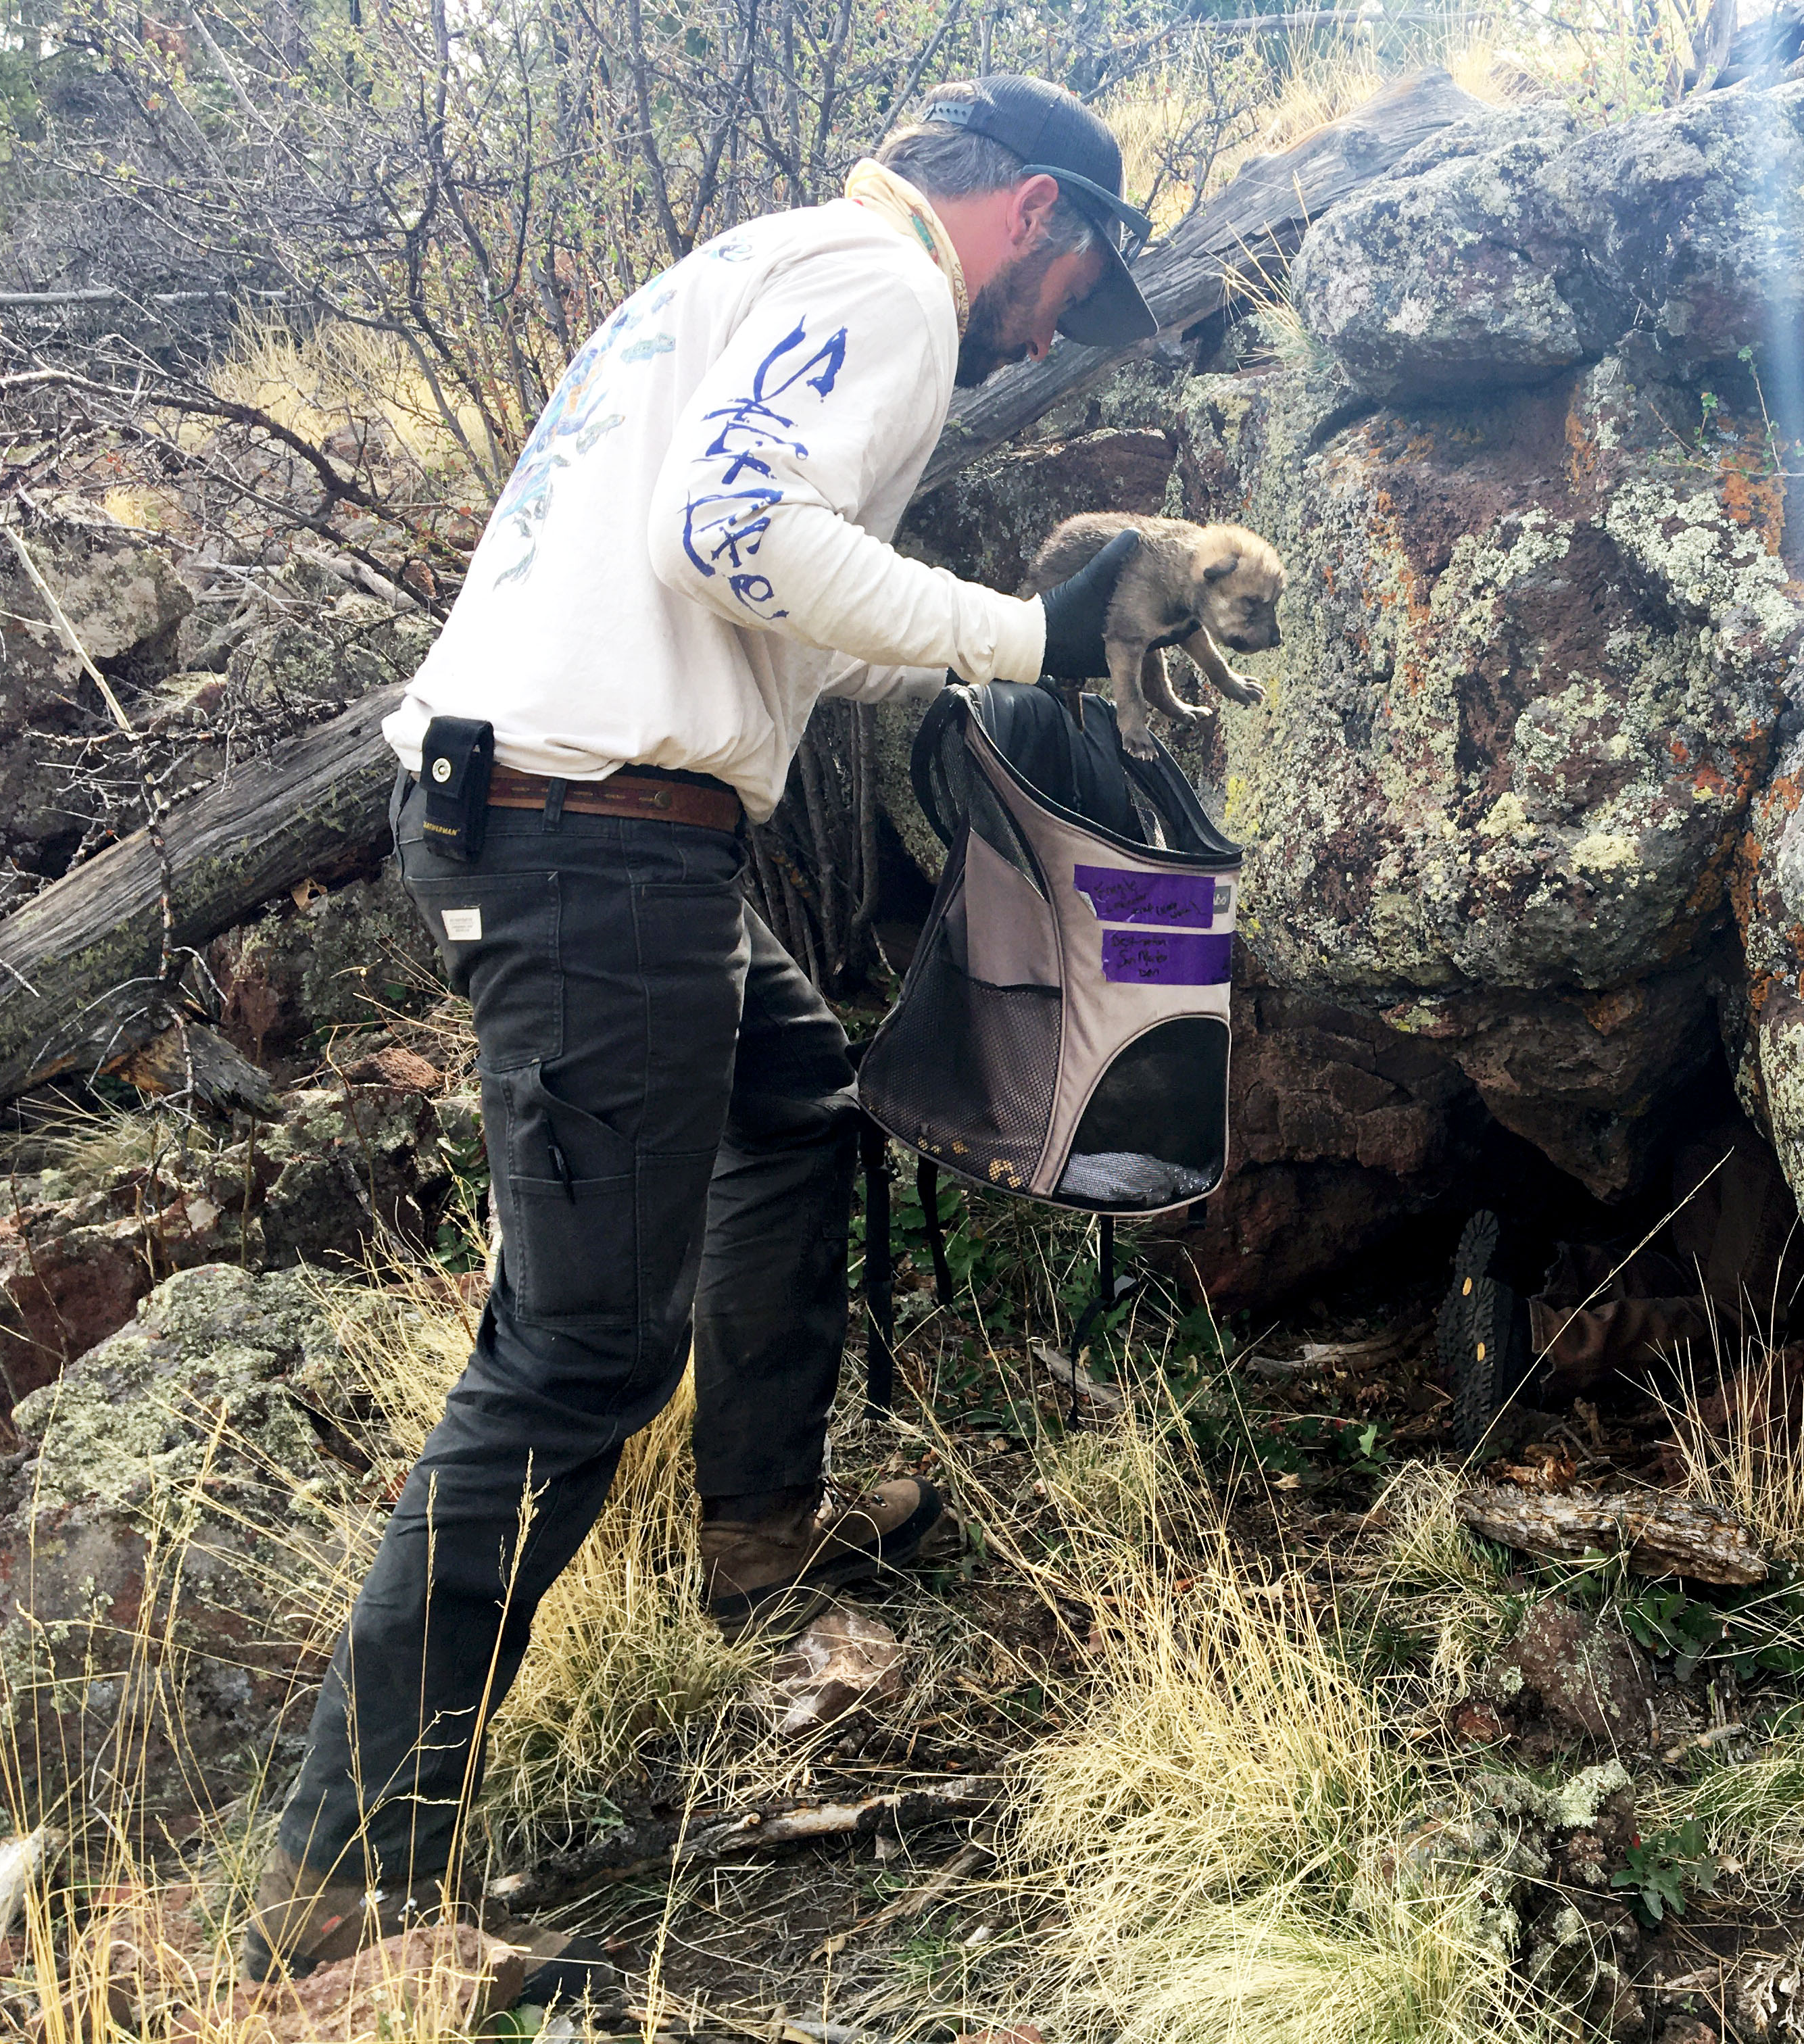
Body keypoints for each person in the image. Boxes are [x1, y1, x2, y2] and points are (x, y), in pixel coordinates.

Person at [245, 74, 1159, 1982]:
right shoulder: (889, 286)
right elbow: (731, 533)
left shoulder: (754, 266)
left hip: (581, 820)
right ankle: (338, 1870)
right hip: (595, 842)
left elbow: (772, 609)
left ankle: (757, 1519)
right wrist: (1035, 640)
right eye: (1084, 280)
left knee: (796, 1104)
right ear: (1037, 216)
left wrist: (1000, 643)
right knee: (579, 1351)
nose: (1062, 329)